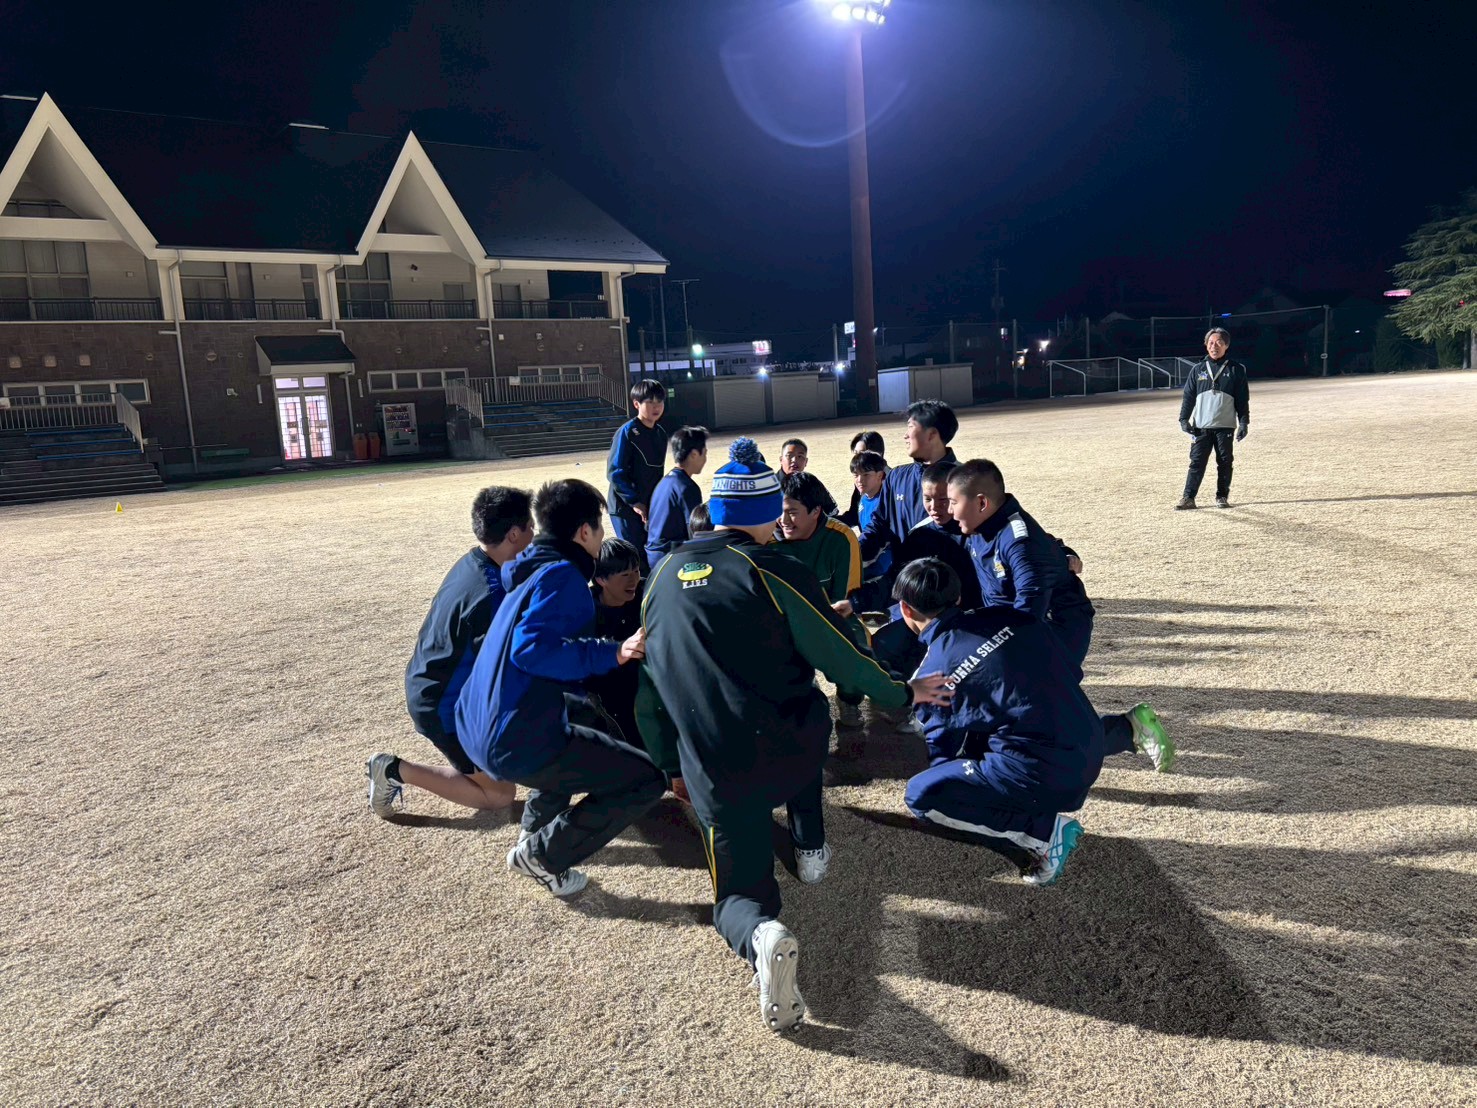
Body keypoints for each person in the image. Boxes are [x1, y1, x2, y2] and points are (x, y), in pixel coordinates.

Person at [636, 437, 953, 1032]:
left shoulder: (659, 578)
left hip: (713, 764)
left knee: (737, 894)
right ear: (762, 512)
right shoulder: (776, 569)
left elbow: (649, 690)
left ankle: (762, 933)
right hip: (790, 750)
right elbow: (842, 659)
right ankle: (809, 849)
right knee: (805, 719)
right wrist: (903, 692)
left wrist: (668, 764)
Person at [455, 479, 665, 897]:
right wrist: (613, 652)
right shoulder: (563, 576)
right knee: (645, 780)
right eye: (599, 527)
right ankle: (543, 856)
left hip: (476, 723)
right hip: (511, 735)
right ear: (584, 531)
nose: (602, 536)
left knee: (582, 725)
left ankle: (532, 834)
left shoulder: (530, 569)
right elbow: (531, 650)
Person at [893, 558, 1147, 885]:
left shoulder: (931, 675)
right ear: (958, 597)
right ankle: (1126, 729)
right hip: (1091, 740)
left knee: (920, 794)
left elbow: (942, 753)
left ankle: (1042, 834)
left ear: (906, 609)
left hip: (1048, 775)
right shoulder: (1009, 616)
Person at [947, 459, 1175, 770]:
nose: (949, 511)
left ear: (981, 503)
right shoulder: (980, 525)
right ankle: (974, 759)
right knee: (1011, 703)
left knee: (1042, 716)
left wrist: (995, 649)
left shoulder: (1018, 542)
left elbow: (1030, 609)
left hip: (1055, 629)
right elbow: (1047, 544)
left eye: (953, 502)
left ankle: (1129, 730)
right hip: (1019, 629)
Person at [367, 486, 533, 818]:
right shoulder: (492, 593)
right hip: (442, 706)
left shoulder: (475, 562)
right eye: (531, 527)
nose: (535, 534)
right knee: (500, 795)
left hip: (430, 682)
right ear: (514, 534)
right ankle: (394, 770)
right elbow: (505, 668)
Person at [777, 471, 869, 729]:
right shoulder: (767, 537)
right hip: (781, 621)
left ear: (816, 511)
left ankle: (849, 700)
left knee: (857, 646)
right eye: (779, 511)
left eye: (792, 512)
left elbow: (845, 602)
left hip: (830, 617)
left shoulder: (841, 538)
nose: (783, 520)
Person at [858, 400, 958, 570]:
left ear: (932, 434)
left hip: (949, 581)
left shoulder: (963, 481)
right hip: (903, 579)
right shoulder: (896, 477)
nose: (905, 435)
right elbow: (879, 526)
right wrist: (852, 552)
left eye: (910, 427)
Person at [1176, 327, 1250, 510]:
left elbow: (1242, 399)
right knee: (1196, 462)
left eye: (1218, 343)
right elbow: (1188, 397)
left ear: (1226, 345)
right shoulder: (1198, 369)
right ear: (1206, 345)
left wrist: (1243, 422)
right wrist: (1184, 420)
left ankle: (1222, 496)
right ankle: (1188, 498)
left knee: (1225, 462)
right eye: (1210, 342)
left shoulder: (1236, 369)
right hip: (1201, 426)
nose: (1214, 346)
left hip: (1225, 426)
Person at [587, 538, 645, 746]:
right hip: (612, 703)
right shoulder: (586, 614)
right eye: (625, 575)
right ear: (601, 579)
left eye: (636, 571)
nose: (634, 580)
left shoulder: (647, 593)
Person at [606, 378, 669, 563]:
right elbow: (615, 472)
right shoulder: (627, 432)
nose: (656, 406)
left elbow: (657, 473)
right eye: (649, 401)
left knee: (651, 554)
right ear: (636, 404)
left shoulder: (660, 434)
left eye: (659, 401)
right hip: (625, 508)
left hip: (649, 506)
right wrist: (634, 502)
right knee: (634, 558)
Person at [645, 425, 708, 566]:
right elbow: (696, 532)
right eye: (704, 453)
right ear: (694, 454)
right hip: (670, 556)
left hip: (654, 554)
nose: (705, 459)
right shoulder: (687, 487)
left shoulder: (665, 482)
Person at [849, 450, 894, 612]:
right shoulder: (864, 498)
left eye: (866, 475)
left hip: (880, 570)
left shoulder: (886, 503)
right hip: (865, 562)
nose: (859, 480)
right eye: (856, 475)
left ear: (880, 475)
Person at [777, 437, 838, 516]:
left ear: (806, 462)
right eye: (789, 455)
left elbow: (830, 511)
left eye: (800, 456)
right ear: (781, 460)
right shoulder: (771, 485)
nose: (794, 460)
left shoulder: (811, 482)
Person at [840, 430, 887, 526]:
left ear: (878, 453)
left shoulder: (893, 482)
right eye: (855, 454)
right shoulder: (861, 480)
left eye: (862, 453)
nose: (857, 458)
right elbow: (854, 516)